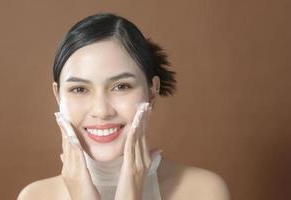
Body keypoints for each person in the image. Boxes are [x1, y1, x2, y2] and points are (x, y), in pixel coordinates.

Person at [17, 13, 230, 200]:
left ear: (152, 91)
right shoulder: (34, 196)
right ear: (58, 96)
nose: (101, 111)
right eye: (79, 89)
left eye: (121, 86)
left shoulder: (203, 191)